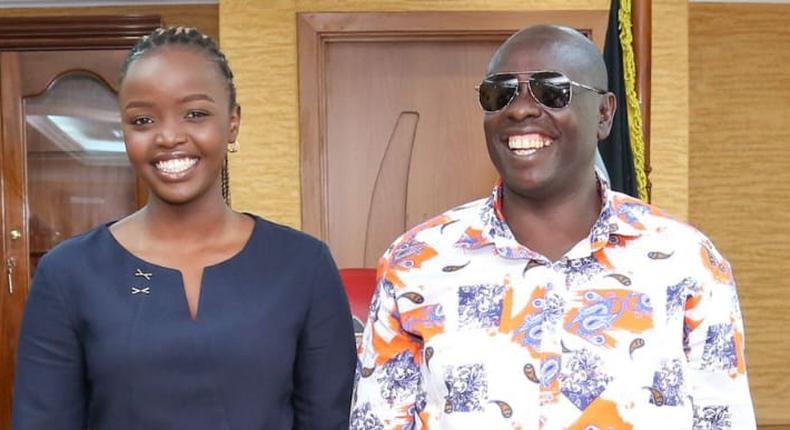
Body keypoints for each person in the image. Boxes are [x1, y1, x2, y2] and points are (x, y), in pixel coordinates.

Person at [351, 25, 755, 429]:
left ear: (603, 113)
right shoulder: (416, 262)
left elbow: (724, 420)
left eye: (551, 91)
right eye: (500, 93)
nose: (520, 109)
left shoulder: (687, 262)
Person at [12, 27, 356, 430]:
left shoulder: (303, 265)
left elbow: (330, 420)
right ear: (124, 132)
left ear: (232, 123)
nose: (169, 136)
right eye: (142, 120)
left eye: (195, 114)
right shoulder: (68, 272)